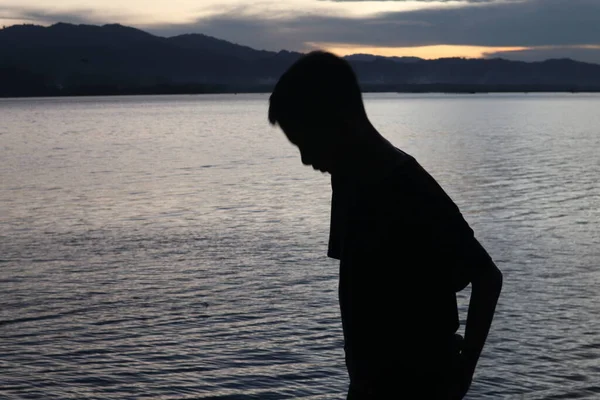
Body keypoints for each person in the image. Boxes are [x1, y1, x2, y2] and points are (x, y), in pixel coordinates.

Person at [268, 51, 503, 399]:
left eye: (306, 142)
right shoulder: (346, 180)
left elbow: (487, 277)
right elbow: (357, 291)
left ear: (337, 123)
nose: (305, 159)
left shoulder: (408, 188)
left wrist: (463, 375)